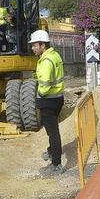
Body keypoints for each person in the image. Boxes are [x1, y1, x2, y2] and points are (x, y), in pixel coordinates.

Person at [29, 30, 65, 174]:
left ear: (42, 45)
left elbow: (45, 85)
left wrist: (39, 95)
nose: (32, 48)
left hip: (48, 100)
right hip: (57, 98)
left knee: (53, 132)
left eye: (34, 45)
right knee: (53, 130)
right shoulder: (54, 55)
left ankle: (56, 164)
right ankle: (51, 151)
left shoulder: (46, 62)